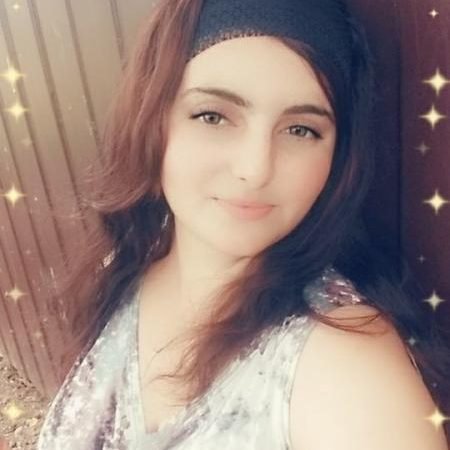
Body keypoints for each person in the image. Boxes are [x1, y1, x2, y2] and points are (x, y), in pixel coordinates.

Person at [36, 0, 449, 448]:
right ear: (152, 120)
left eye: (301, 129)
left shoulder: (346, 363)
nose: (255, 169)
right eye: (213, 116)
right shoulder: (127, 266)